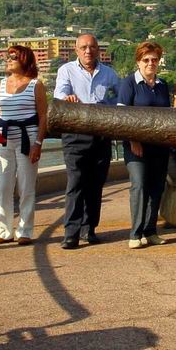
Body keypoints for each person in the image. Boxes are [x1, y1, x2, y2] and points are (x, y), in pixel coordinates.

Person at [54, 34, 120, 249]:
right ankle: (71, 232)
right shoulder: (66, 71)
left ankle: (89, 228)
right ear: (76, 50)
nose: (88, 51)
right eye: (83, 47)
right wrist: (68, 98)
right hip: (75, 135)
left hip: (101, 135)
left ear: (98, 49)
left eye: (92, 47)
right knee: (75, 182)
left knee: (96, 184)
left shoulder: (109, 75)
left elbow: (116, 102)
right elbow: (60, 93)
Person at [0, 45, 47, 246]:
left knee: (26, 186)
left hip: (28, 138)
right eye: (8, 56)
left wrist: (38, 144)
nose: (9, 59)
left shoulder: (35, 85)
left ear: (24, 59)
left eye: (14, 56)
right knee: (3, 187)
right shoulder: (0, 85)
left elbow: (43, 117)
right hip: (5, 140)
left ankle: (25, 230)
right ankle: (4, 231)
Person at [117, 42, 171, 249]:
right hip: (136, 146)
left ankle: (150, 230)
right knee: (139, 185)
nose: (151, 63)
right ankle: (135, 232)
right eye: (146, 60)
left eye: (154, 60)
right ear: (138, 62)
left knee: (156, 187)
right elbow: (122, 116)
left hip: (158, 145)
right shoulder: (129, 83)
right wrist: (133, 140)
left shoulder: (162, 85)